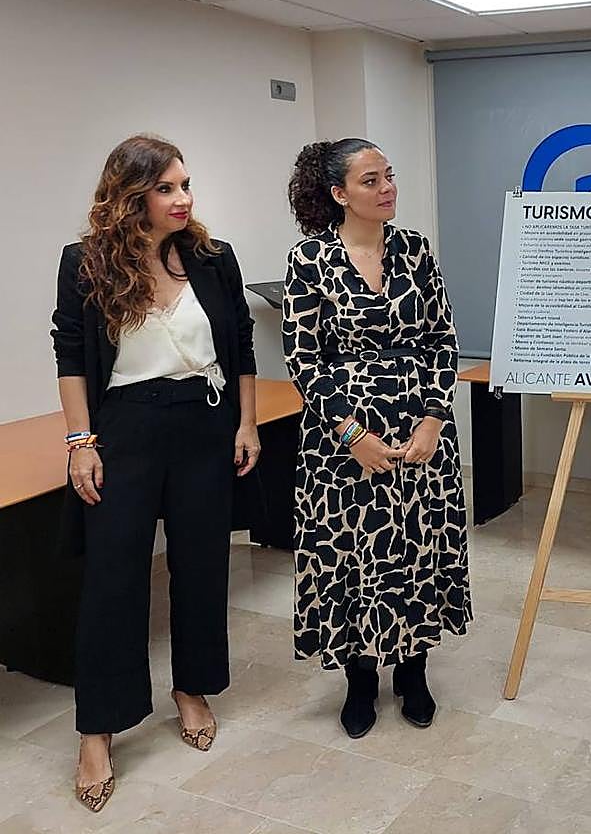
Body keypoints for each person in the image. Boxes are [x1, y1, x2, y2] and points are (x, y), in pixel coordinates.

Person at [50, 134, 260, 812]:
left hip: (204, 420)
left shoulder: (210, 257)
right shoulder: (86, 262)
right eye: (167, 187)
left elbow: (242, 349)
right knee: (113, 577)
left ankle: (191, 689)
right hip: (126, 429)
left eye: (186, 185)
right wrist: (80, 440)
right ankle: (97, 729)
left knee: (201, 564)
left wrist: (247, 422)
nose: (184, 199)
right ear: (129, 193)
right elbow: (73, 353)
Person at [282, 138, 471, 741]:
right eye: (371, 181)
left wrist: (435, 419)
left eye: (389, 176)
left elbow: (443, 339)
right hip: (343, 439)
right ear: (339, 194)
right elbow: (303, 357)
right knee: (354, 558)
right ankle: (361, 679)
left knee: (418, 550)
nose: (387, 188)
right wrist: (351, 432)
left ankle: (414, 673)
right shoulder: (308, 260)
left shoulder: (415, 251)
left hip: (420, 426)